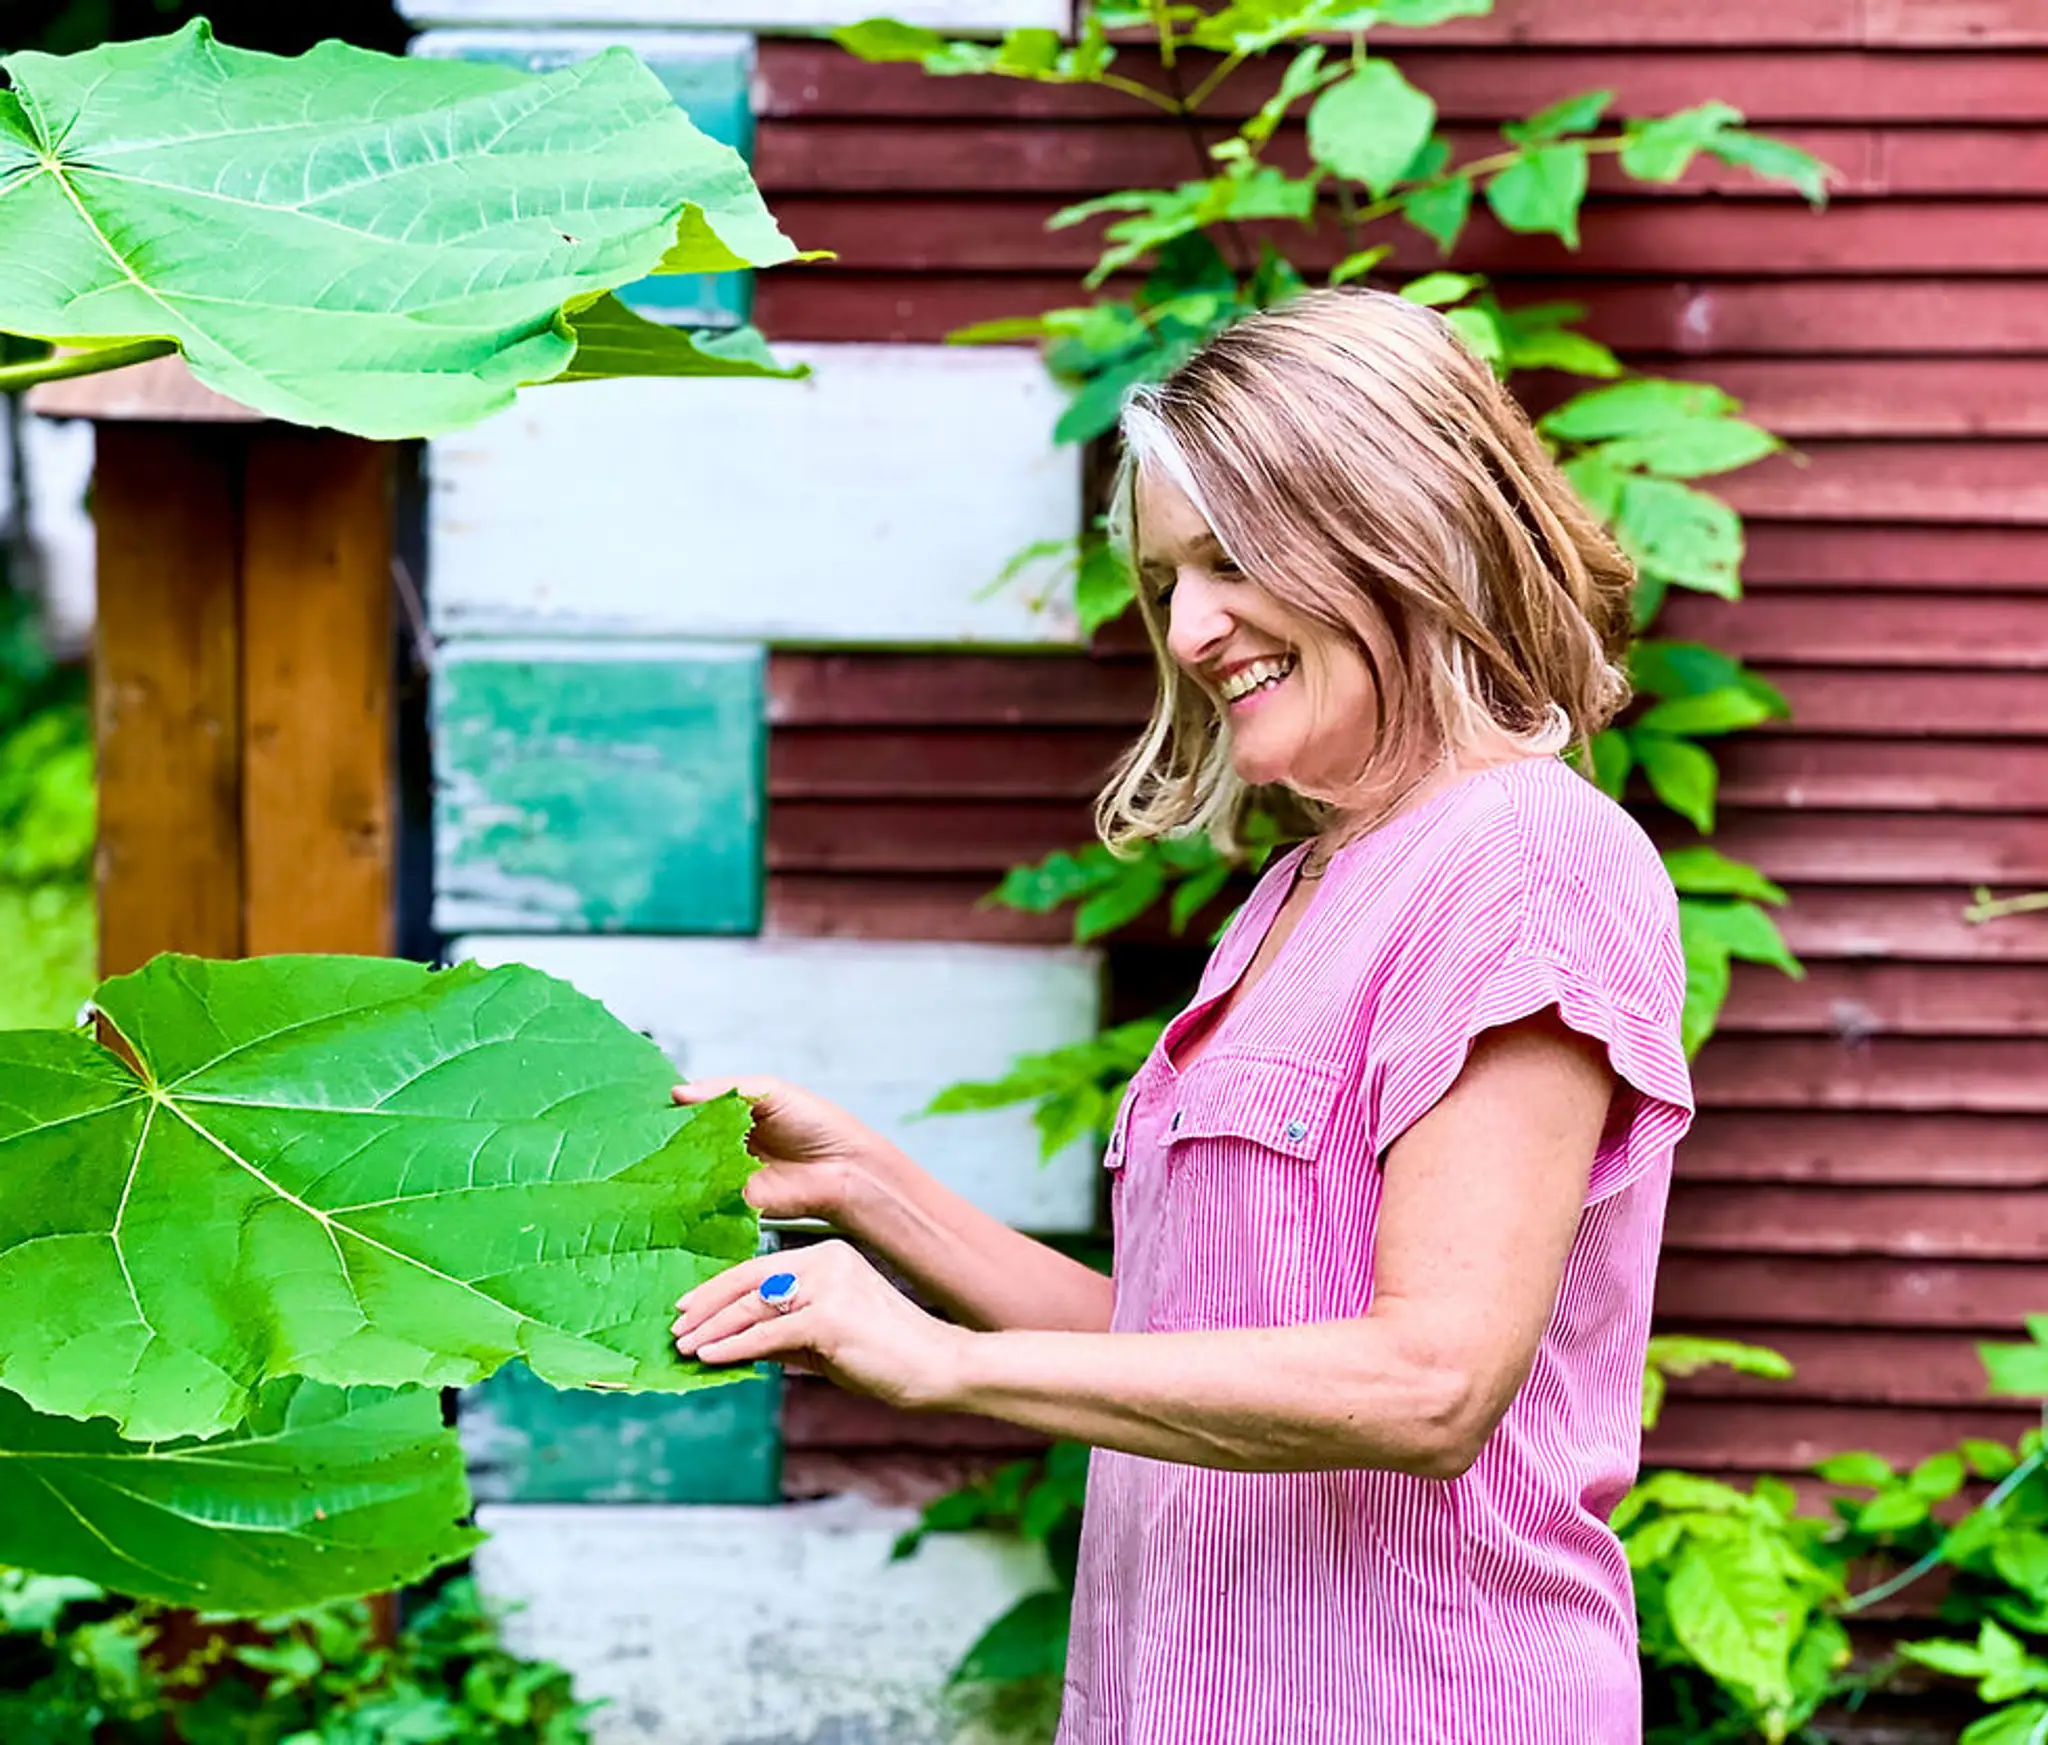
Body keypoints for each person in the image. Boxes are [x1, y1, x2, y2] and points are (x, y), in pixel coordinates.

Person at [669, 286, 1693, 1744]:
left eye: (1232, 559)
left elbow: (1430, 1381)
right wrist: (868, 1192)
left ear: (1397, 525)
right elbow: (1193, 1338)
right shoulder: (1299, 896)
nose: (1195, 627)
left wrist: (949, 1367)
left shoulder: (1526, 859)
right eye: (1168, 578)